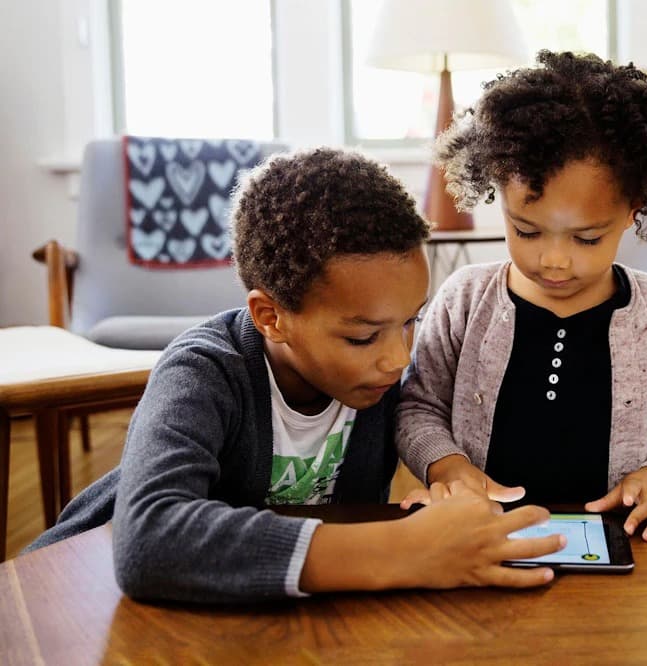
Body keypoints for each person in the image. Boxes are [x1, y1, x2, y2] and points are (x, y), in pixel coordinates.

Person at [25, 148, 565, 602]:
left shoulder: (370, 380)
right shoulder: (203, 372)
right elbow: (149, 541)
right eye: (362, 336)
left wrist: (441, 494)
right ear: (271, 317)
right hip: (69, 597)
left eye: (410, 321)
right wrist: (402, 551)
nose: (399, 358)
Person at [396, 51, 647, 543]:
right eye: (526, 230)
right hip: (479, 533)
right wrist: (446, 467)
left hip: (617, 536)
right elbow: (417, 405)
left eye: (586, 238)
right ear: (498, 196)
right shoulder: (464, 298)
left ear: (634, 210)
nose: (554, 260)